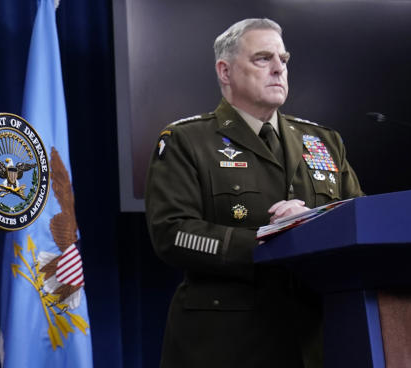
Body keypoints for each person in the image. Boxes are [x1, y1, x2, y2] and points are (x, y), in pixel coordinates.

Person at [145, 18, 363, 368]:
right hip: (227, 343)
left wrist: (312, 225)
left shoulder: (323, 141)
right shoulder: (187, 140)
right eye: (263, 58)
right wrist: (273, 241)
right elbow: (173, 234)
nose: (279, 68)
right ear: (225, 71)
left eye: (284, 59)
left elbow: (359, 219)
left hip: (316, 341)